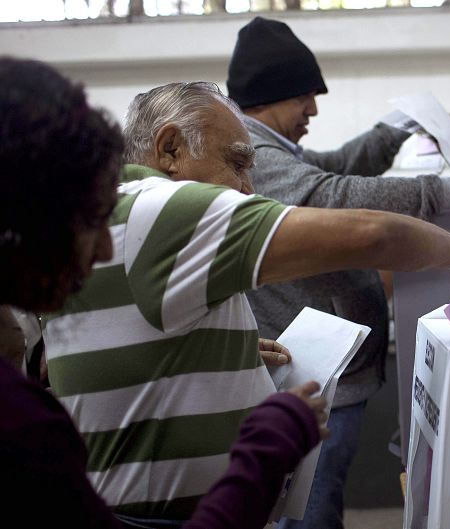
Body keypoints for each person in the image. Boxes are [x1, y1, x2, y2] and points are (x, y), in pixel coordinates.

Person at [43, 81, 450, 526]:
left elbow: (82, 356)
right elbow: (372, 235)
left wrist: (216, 354)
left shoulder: (106, 215)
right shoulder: (164, 209)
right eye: (236, 164)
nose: (249, 188)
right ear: (170, 149)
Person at [0, 57, 328, 529]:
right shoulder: (24, 428)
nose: (107, 243)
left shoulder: (26, 407)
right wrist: (265, 451)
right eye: (88, 216)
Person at [226, 18, 450, 527]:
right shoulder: (254, 157)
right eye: (304, 97)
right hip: (313, 378)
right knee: (311, 514)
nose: (312, 109)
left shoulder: (274, 152)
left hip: (326, 375)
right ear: (269, 95)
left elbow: (336, 166)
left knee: (314, 508)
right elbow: (335, 195)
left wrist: (397, 126)